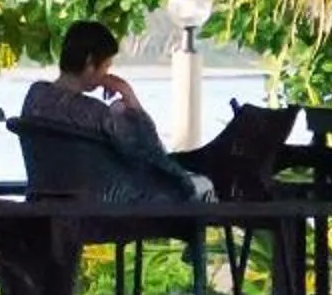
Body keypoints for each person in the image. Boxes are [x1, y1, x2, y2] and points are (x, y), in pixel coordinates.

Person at [20, 20, 217, 206]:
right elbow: (152, 151)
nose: (106, 74)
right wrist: (130, 98)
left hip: (45, 202)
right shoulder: (95, 114)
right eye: (106, 66)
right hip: (103, 208)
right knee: (200, 187)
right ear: (90, 62)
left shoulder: (34, 97)